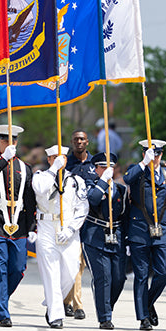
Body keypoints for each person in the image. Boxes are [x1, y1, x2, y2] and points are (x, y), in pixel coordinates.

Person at [0, 124, 36, 327]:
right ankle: (3, 312)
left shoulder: (24, 168)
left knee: (19, 268)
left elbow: (29, 200)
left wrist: (32, 227)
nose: (9, 143)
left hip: (18, 223)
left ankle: (1, 302)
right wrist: (3, 159)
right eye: (5, 139)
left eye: (13, 140)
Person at [123, 139, 166, 330]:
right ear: (144, 154)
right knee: (141, 275)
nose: (154, 158)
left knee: (163, 273)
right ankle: (143, 318)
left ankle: (146, 304)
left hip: (162, 229)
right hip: (139, 229)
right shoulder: (137, 171)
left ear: (161, 155)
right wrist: (143, 164)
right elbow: (126, 179)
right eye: (150, 154)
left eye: (157, 155)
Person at [31, 145, 88, 329]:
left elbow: (82, 207)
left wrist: (71, 229)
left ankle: (51, 299)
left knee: (71, 274)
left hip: (69, 230)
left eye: (62, 157)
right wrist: (53, 169)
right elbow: (40, 190)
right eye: (54, 157)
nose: (59, 160)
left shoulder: (76, 180)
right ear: (49, 159)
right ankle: (55, 314)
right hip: (47, 227)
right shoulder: (40, 176)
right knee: (51, 273)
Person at [81, 152, 129, 330]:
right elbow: (93, 199)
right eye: (103, 167)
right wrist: (103, 182)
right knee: (103, 277)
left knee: (119, 278)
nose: (107, 169)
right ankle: (105, 317)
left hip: (115, 237)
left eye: (110, 167)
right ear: (96, 169)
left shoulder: (121, 189)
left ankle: (107, 305)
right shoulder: (89, 185)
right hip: (95, 236)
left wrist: (127, 240)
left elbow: (125, 215)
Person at [63, 129, 95, 320]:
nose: (79, 142)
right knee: (71, 261)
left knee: (80, 264)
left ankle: (70, 301)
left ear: (87, 142)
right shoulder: (66, 164)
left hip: (90, 220)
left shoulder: (95, 163)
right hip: (70, 220)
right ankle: (74, 304)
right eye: (76, 139)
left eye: (82, 139)